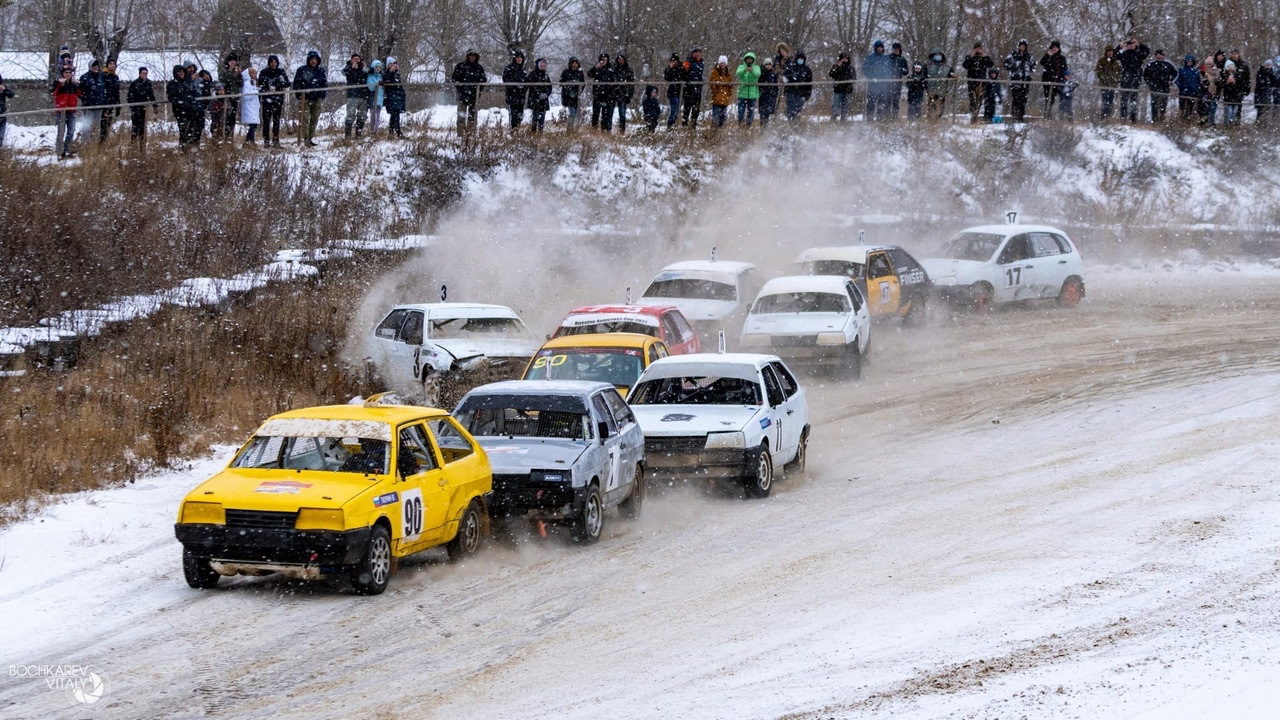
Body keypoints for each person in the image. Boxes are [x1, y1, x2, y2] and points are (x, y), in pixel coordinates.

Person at [292, 51, 328, 146]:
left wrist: (322, 95)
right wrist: (299, 95)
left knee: (314, 118)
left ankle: (311, 137)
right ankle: (305, 138)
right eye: (312, 59)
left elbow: (324, 84)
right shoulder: (302, 70)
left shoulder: (320, 71)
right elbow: (296, 83)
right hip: (305, 98)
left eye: (315, 59)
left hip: (317, 98)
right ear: (308, 60)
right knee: (305, 119)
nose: (313, 61)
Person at [450, 50, 485, 137]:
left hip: (474, 96)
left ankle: (470, 134)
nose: (472, 57)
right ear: (467, 56)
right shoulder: (460, 66)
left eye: (474, 56)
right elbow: (454, 79)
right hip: (462, 96)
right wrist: (461, 88)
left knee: (472, 117)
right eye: (470, 55)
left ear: (476, 57)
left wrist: (478, 90)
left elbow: (483, 81)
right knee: (461, 116)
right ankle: (460, 134)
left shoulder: (479, 68)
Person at [258, 55, 289, 147]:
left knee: (276, 120)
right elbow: (260, 84)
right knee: (266, 120)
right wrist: (267, 87)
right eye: (271, 62)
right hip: (267, 99)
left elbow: (287, 83)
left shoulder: (281, 72)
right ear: (269, 63)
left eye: (275, 62)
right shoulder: (264, 72)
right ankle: (266, 140)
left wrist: (278, 84)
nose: (273, 64)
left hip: (278, 99)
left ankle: (276, 140)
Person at [1116, 36, 1149, 121]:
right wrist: (1119, 47)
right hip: (1125, 80)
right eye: (1129, 44)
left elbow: (1147, 51)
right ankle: (1123, 119)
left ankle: (1133, 119)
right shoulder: (1124, 54)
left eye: (1132, 44)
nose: (1130, 46)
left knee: (1133, 101)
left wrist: (1139, 44)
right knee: (1124, 100)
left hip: (1135, 80)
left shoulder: (1139, 54)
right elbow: (1114, 55)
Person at [51, 66, 80, 157]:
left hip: (71, 111)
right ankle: (59, 150)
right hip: (61, 112)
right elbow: (53, 92)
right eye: (66, 73)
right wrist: (59, 84)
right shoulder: (58, 83)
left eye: (69, 73)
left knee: (71, 131)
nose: (68, 74)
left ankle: (66, 149)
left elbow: (79, 94)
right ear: (63, 74)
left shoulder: (74, 84)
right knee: (61, 132)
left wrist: (79, 84)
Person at [125, 67, 156, 151]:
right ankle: (133, 147)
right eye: (143, 73)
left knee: (142, 129)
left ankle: (142, 148)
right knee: (135, 128)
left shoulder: (148, 83)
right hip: (136, 109)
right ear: (139, 74)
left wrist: (155, 106)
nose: (145, 75)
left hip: (144, 109)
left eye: (146, 73)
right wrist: (133, 107)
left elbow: (151, 95)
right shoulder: (134, 84)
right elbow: (129, 97)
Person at [962, 42, 994, 121]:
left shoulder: (983, 58)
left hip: (981, 83)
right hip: (972, 82)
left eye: (979, 48)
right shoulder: (969, 57)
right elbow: (965, 65)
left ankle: (975, 116)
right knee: (972, 100)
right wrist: (971, 57)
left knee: (979, 101)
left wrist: (985, 56)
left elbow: (990, 64)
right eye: (976, 48)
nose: (977, 50)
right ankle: (973, 115)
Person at [862, 40, 895, 120]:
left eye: (881, 47)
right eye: (878, 47)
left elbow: (890, 70)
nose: (880, 49)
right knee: (871, 103)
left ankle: (880, 118)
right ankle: (870, 119)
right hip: (873, 85)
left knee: (882, 104)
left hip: (883, 86)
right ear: (875, 48)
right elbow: (865, 69)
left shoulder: (886, 59)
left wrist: (887, 79)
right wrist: (871, 77)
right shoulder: (870, 58)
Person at [1143, 50, 1178, 123]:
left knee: (1163, 104)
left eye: (1160, 55)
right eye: (1157, 55)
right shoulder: (1151, 64)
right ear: (1155, 56)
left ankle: (1162, 120)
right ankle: (1154, 121)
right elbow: (1145, 75)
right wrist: (1150, 83)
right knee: (1154, 104)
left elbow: (1176, 73)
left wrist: (1171, 81)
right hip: (1154, 87)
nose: (1159, 56)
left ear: (1163, 56)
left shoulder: (1168, 64)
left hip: (1165, 87)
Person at [1003, 39, 1034, 122]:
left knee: (1023, 100)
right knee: (1016, 98)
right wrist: (1012, 65)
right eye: (1021, 46)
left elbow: (1033, 67)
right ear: (1019, 46)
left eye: (1024, 46)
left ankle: (1021, 116)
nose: (1022, 48)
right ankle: (1015, 116)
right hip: (1015, 80)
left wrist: (1030, 69)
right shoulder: (1013, 55)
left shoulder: (1029, 56)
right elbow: (1005, 65)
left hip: (1025, 80)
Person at [167, 65, 196, 149]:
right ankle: (183, 149)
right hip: (180, 111)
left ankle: (189, 149)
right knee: (183, 131)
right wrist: (181, 103)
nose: (181, 73)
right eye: (180, 72)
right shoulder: (172, 84)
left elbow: (193, 93)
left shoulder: (187, 82)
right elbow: (171, 97)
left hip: (190, 110)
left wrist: (192, 104)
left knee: (191, 131)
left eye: (183, 72)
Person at [342, 53, 369, 138]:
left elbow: (372, 71)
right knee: (350, 115)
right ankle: (348, 135)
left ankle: (358, 134)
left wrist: (365, 67)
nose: (357, 60)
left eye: (358, 59)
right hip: (352, 95)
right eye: (355, 59)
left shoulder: (363, 68)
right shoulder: (348, 67)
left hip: (363, 95)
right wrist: (352, 68)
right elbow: (343, 72)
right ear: (351, 60)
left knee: (362, 116)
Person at [79, 60, 106, 144]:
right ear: (90, 66)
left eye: (97, 66)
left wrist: (102, 102)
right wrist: (87, 101)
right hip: (88, 107)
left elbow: (103, 91)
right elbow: (80, 92)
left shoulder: (101, 77)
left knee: (96, 127)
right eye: (94, 66)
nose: (95, 67)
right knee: (87, 127)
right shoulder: (84, 77)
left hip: (99, 107)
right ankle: (85, 145)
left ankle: (94, 145)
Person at [1039, 41, 1068, 118]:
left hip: (1057, 82)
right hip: (1048, 81)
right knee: (1049, 99)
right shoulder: (1048, 56)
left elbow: (1064, 69)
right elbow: (1042, 62)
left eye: (1056, 47)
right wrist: (1047, 55)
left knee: (1058, 99)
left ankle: (1061, 116)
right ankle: (1047, 115)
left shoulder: (1062, 58)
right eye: (1053, 47)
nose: (1055, 49)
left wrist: (1064, 77)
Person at [783, 51, 813, 121]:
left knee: (798, 109)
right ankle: (790, 122)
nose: (800, 60)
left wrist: (807, 95)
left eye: (802, 58)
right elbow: (785, 77)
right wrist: (786, 82)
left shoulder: (807, 69)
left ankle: (795, 123)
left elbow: (809, 83)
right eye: (799, 58)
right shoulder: (790, 67)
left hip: (801, 93)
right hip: (790, 91)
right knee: (791, 109)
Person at [925, 48, 954, 119]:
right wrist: (926, 86)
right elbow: (924, 76)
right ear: (933, 55)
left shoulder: (947, 67)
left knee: (940, 108)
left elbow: (951, 74)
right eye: (936, 55)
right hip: (931, 90)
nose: (938, 56)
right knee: (931, 107)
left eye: (939, 54)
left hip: (942, 90)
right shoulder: (927, 65)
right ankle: (930, 121)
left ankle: (938, 120)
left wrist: (953, 75)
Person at [502, 50, 528, 130]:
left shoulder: (523, 70)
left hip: (521, 97)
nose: (519, 59)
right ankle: (513, 132)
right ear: (515, 58)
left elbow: (526, 82)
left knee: (520, 116)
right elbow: (506, 80)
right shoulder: (509, 68)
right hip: (512, 96)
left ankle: (517, 132)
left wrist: (523, 89)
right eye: (518, 57)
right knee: (513, 115)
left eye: (521, 57)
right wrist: (516, 86)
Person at [588, 53, 614, 130]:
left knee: (605, 114)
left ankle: (604, 130)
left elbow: (614, 79)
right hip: (597, 94)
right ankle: (594, 129)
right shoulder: (597, 68)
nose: (603, 60)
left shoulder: (611, 69)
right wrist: (596, 67)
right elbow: (589, 74)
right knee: (595, 113)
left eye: (605, 59)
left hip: (607, 95)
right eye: (602, 59)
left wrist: (611, 91)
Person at [217, 53, 241, 139]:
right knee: (225, 117)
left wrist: (239, 74)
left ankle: (230, 136)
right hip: (226, 97)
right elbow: (223, 81)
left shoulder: (237, 70)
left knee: (233, 118)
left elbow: (240, 83)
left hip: (235, 97)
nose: (233, 62)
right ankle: (223, 136)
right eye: (231, 61)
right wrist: (230, 71)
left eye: (234, 61)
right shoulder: (223, 70)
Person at [1095, 46, 1122, 120]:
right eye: (1109, 51)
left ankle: (1108, 118)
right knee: (1105, 102)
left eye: (1111, 51)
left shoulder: (1115, 62)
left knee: (1110, 102)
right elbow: (1098, 72)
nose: (1110, 53)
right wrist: (1107, 79)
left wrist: (1117, 79)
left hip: (1113, 86)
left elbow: (1119, 72)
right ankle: (1103, 118)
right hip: (1105, 85)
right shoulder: (1102, 61)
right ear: (1106, 52)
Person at [681, 47, 705, 127]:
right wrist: (688, 78)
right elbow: (683, 74)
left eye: (699, 52)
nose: (697, 54)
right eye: (696, 52)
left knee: (696, 109)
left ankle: (693, 125)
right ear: (692, 53)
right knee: (687, 109)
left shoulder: (701, 62)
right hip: (688, 89)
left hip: (698, 90)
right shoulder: (687, 62)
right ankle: (684, 125)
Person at [526, 57, 551, 133]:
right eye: (541, 65)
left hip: (544, 101)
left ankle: (540, 133)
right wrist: (537, 94)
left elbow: (550, 87)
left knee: (542, 117)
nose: (543, 67)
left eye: (544, 65)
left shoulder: (546, 76)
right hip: (535, 100)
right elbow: (529, 85)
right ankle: (533, 133)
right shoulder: (532, 74)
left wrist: (546, 94)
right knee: (535, 117)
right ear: (538, 65)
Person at [613, 55, 636, 133]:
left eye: (622, 59)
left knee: (622, 115)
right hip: (612, 94)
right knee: (608, 115)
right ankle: (606, 131)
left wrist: (629, 95)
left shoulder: (628, 70)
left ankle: (622, 131)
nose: (621, 61)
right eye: (619, 59)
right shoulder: (613, 69)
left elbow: (631, 84)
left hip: (623, 95)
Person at [736, 52, 761, 125]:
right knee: (740, 112)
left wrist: (752, 70)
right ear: (745, 59)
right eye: (748, 59)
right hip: (742, 93)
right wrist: (745, 70)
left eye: (751, 59)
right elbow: (738, 73)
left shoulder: (756, 67)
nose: (749, 60)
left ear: (753, 60)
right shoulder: (741, 67)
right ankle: (740, 124)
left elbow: (757, 74)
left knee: (751, 112)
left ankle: (748, 126)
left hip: (752, 94)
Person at [829, 52, 855, 122]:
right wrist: (837, 67)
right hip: (838, 90)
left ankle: (843, 123)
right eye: (843, 58)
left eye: (846, 58)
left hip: (847, 91)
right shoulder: (836, 66)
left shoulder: (851, 68)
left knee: (845, 109)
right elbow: (831, 74)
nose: (845, 60)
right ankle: (832, 122)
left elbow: (853, 78)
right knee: (835, 108)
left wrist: (848, 85)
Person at [383, 57, 406, 137]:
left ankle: (391, 132)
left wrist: (403, 93)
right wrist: (391, 72)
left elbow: (399, 85)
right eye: (391, 64)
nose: (394, 66)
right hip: (391, 97)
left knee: (395, 115)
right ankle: (397, 131)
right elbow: (387, 80)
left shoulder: (397, 74)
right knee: (395, 115)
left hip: (398, 97)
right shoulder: (386, 73)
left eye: (394, 64)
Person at [709, 55, 733, 127]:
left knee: (723, 119)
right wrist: (716, 93)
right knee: (715, 118)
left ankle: (720, 133)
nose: (723, 64)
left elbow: (730, 86)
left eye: (724, 63)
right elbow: (712, 84)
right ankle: (714, 132)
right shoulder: (714, 72)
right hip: (717, 99)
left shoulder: (728, 74)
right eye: (722, 63)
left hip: (725, 100)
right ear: (719, 63)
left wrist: (728, 94)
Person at [561, 57, 585, 129]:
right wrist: (569, 85)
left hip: (576, 96)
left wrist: (579, 91)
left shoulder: (580, 73)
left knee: (575, 113)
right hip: (567, 96)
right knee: (572, 113)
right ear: (570, 64)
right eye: (573, 63)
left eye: (576, 63)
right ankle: (570, 128)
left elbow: (583, 84)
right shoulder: (566, 72)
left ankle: (573, 128)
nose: (575, 65)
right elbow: (561, 82)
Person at [1221, 59, 1246, 127]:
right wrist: (1227, 82)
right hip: (1228, 97)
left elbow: (1241, 85)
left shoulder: (1237, 75)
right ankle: (1227, 125)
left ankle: (1232, 125)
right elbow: (1222, 85)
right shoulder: (1224, 75)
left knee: (1234, 112)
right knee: (1228, 112)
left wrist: (1235, 82)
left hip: (1236, 97)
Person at [663, 54, 685, 128]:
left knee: (677, 110)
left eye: (675, 61)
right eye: (672, 61)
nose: (674, 62)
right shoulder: (668, 69)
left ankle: (674, 124)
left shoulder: (681, 68)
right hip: (672, 92)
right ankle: (670, 125)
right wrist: (670, 68)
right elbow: (667, 77)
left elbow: (680, 76)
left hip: (679, 92)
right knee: (674, 110)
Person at [101, 60, 121, 141]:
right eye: (110, 64)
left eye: (113, 64)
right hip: (104, 104)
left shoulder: (115, 77)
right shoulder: (103, 76)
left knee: (108, 125)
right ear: (107, 65)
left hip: (112, 104)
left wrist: (118, 105)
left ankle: (104, 143)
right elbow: (102, 91)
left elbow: (116, 92)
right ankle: (99, 145)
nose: (112, 65)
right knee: (102, 126)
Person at [1198, 56, 1221, 126]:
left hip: (1214, 91)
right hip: (1204, 92)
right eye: (1207, 64)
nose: (1208, 65)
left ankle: (1211, 122)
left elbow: (1218, 80)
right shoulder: (1202, 70)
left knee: (1213, 108)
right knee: (1204, 107)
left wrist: (1218, 83)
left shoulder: (1216, 71)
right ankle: (1203, 121)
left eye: (1210, 64)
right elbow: (1200, 80)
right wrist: (1203, 83)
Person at [240, 66, 260, 145]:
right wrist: (255, 92)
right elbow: (246, 96)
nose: (255, 75)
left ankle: (248, 141)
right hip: (249, 107)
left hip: (253, 107)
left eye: (255, 73)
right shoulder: (246, 83)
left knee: (254, 125)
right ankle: (250, 141)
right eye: (253, 73)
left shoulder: (253, 83)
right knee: (252, 125)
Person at [889, 42, 909, 117]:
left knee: (895, 101)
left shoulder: (902, 59)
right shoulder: (889, 58)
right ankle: (886, 117)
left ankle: (894, 117)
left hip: (898, 83)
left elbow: (906, 71)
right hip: (888, 83)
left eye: (898, 49)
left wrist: (900, 69)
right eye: (895, 49)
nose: (896, 51)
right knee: (887, 101)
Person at [1255, 59, 1277, 128]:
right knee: (1260, 111)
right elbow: (1259, 82)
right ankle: (1258, 125)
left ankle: (1265, 125)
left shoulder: (1271, 73)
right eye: (1267, 65)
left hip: (1267, 95)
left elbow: (1274, 83)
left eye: (1269, 65)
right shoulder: (1261, 72)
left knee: (1266, 111)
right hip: (1260, 94)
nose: (1268, 67)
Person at [758, 58, 779, 126]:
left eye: (769, 64)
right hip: (763, 95)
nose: (768, 66)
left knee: (767, 113)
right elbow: (759, 84)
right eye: (766, 64)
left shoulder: (773, 74)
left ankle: (765, 127)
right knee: (762, 113)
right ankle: (762, 126)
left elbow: (776, 86)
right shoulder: (761, 73)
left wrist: (775, 94)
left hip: (771, 96)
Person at [366, 59, 385, 135]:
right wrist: (377, 84)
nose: (378, 69)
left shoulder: (381, 76)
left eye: (379, 67)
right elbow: (371, 87)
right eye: (376, 67)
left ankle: (376, 131)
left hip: (380, 98)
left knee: (378, 116)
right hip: (373, 98)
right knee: (373, 116)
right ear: (374, 67)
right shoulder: (370, 76)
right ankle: (372, 131)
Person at [0, 73, 15, 146]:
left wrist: (5, 89)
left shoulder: (2, 89)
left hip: (2, 116)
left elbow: (12, 95)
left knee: (0, 137)